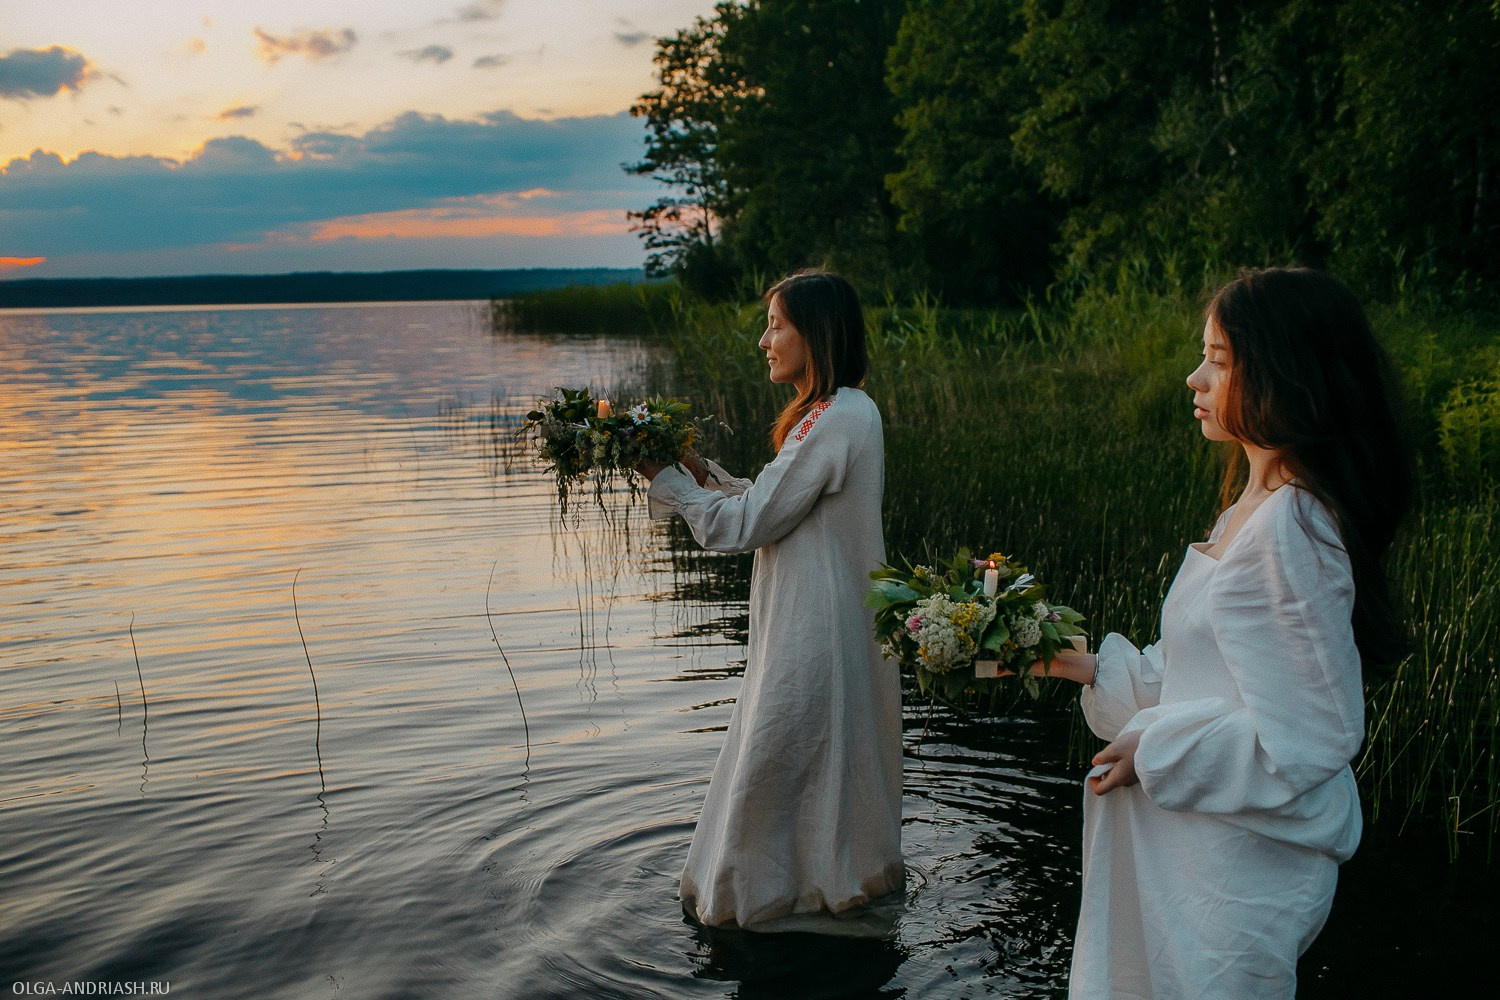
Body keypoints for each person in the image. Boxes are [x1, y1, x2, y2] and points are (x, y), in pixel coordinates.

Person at [1032, 267, 1413, 998]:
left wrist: (1156, 749)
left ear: (1284, 376)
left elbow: (1312, 739)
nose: (1193, 377)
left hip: (1232, 886)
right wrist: (1078, 666)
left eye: (1220, 359)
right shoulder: (1254, 509)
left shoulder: (1292, 530)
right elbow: (1204, 683)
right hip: (1190, 866)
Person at [639, 269, 903, 928]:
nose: (764, 340)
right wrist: (707, 476)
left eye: (777, 324)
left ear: (814, 333)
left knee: (775, 763)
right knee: (796, 766)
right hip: (805, 627)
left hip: (814, 637)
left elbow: (749, 524)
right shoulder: (829, 414)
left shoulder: (842, 416)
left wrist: (672, 485)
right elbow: (775, 503)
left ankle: (766, 903)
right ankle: (808, 890)